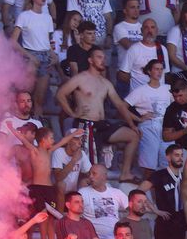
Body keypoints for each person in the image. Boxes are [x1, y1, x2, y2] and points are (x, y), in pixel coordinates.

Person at [55, 46, 141, 180]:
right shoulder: (81, 78)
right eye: (99, 57)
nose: (103, 60)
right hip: (86, 125)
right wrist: (72, 113)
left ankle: (125, 173)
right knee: (90, 167)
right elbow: (60, 94)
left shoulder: (105, 83)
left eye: (104, 58)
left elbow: (119, 104)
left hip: (101, 125)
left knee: (133, 135)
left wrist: (132, 124)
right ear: (90, 60)